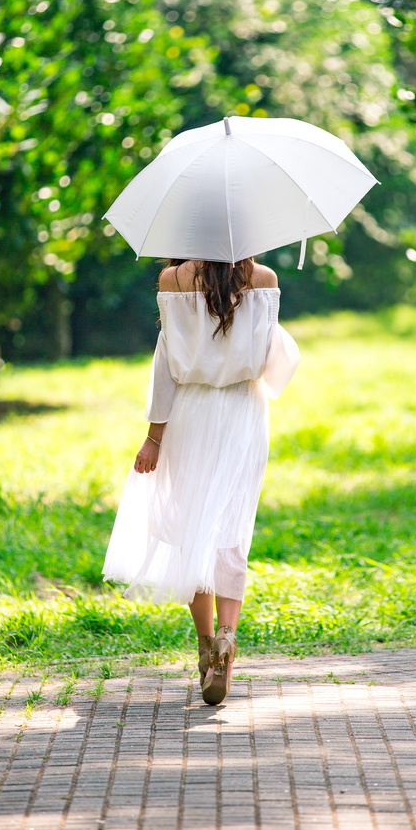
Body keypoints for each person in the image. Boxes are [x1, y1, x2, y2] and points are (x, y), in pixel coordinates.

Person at [102, 256, 299, 704]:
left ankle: (207, 645)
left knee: (194, 528)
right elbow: (272, 360)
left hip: (191, 411)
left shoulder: (173, 280)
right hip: (244, 412)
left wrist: (153, 437)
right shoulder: (264, 279)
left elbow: (165, 364)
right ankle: (229, 638)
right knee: (231, 530)